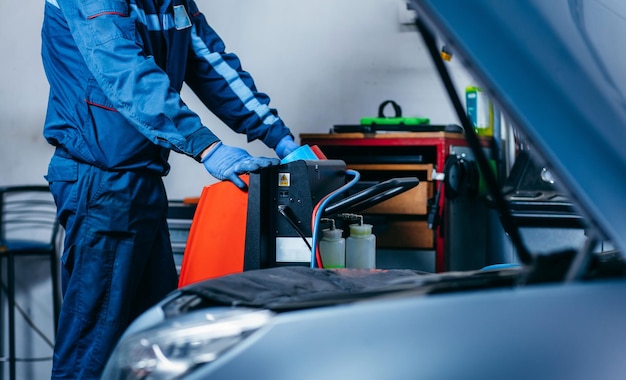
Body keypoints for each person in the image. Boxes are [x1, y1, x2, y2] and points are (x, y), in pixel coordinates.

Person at [40, 0, 299, 378]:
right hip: (101, 182)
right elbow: (125, 70)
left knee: (151, 343)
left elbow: (211, 61)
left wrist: (280, 138)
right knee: (94, 345)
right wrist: (206, 145)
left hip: (140, 181)